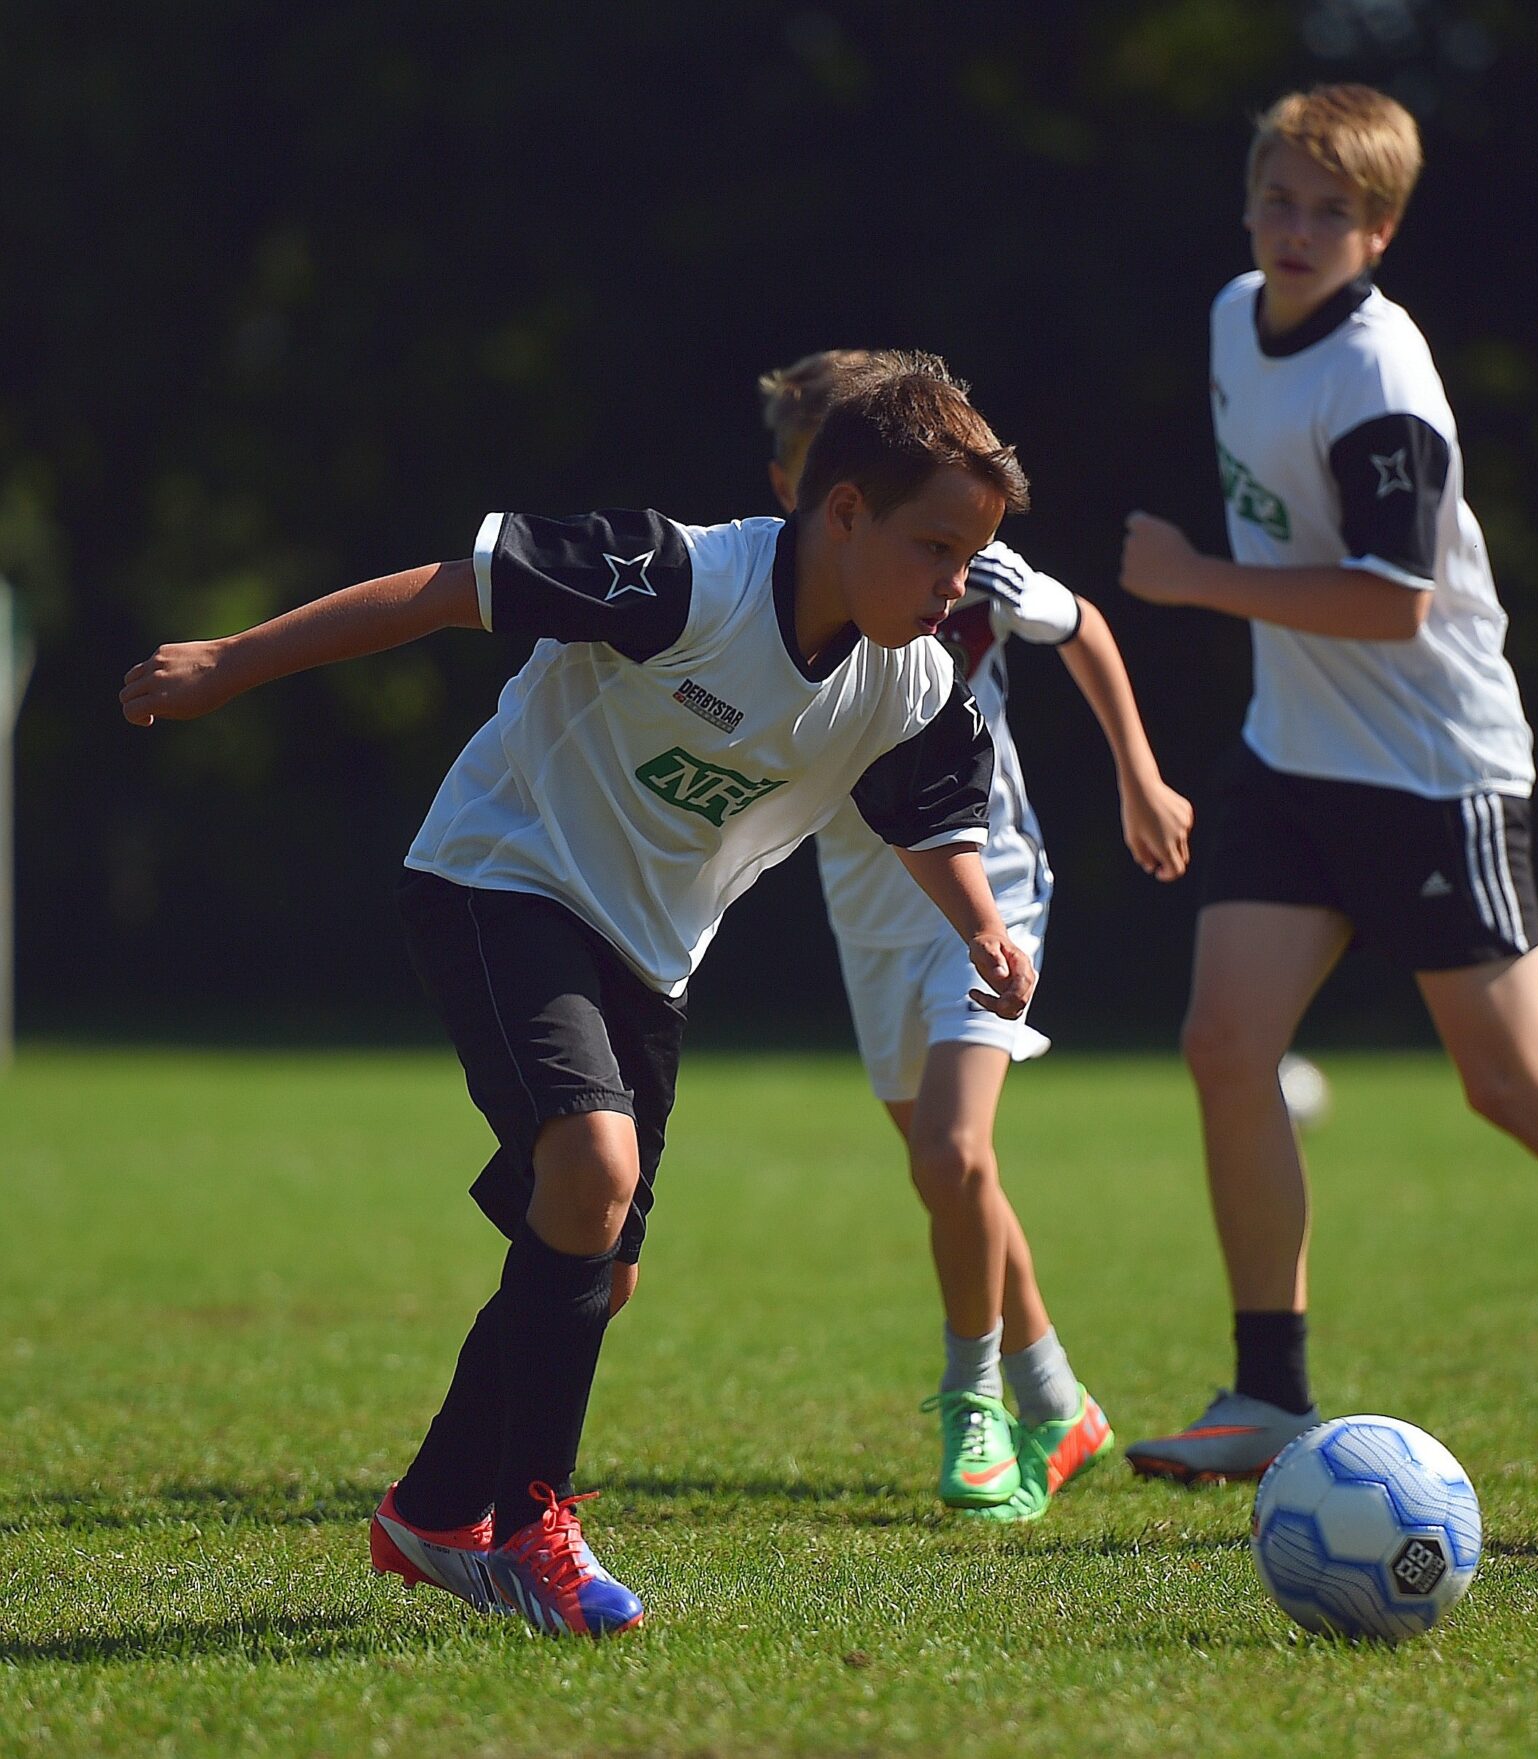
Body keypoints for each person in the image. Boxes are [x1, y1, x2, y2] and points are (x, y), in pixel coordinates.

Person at [121, 354, 1035, 1631]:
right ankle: (529, 1526)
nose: (955, 586)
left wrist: (983, 924)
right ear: (840, 514)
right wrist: (231, 659)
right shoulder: (680, 576)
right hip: (501, 871)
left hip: (649, 957)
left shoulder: (914, 679)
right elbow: (453, 592)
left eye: (970, 555)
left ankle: (433, 1509)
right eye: (937, 547)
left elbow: (928, 812)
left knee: (598, 1270)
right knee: (592, 1172)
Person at [1116, 84, 1538, 1486]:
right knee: (1223, 1045)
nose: (1299, 229)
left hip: (1436, 770)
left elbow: (1394, 602)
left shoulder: (1381, 378)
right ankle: (1267, 1392)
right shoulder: (1228, 317)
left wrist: (1196, 582)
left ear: (1379, 233)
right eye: (1280, 199)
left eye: (1333, 211)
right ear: (1249, 201)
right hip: (1292, 755)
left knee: (1512, 1082)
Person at [759, 350, 1193, 1520]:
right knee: (951, 1175)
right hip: (868, 911)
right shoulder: (768, 586)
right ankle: (1059, 1396)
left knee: (952, 1155)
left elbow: (1084, 625)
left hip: (986, 886)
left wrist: (1140, 781)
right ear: (807, 487)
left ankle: (973, 1404)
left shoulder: (963, 564)